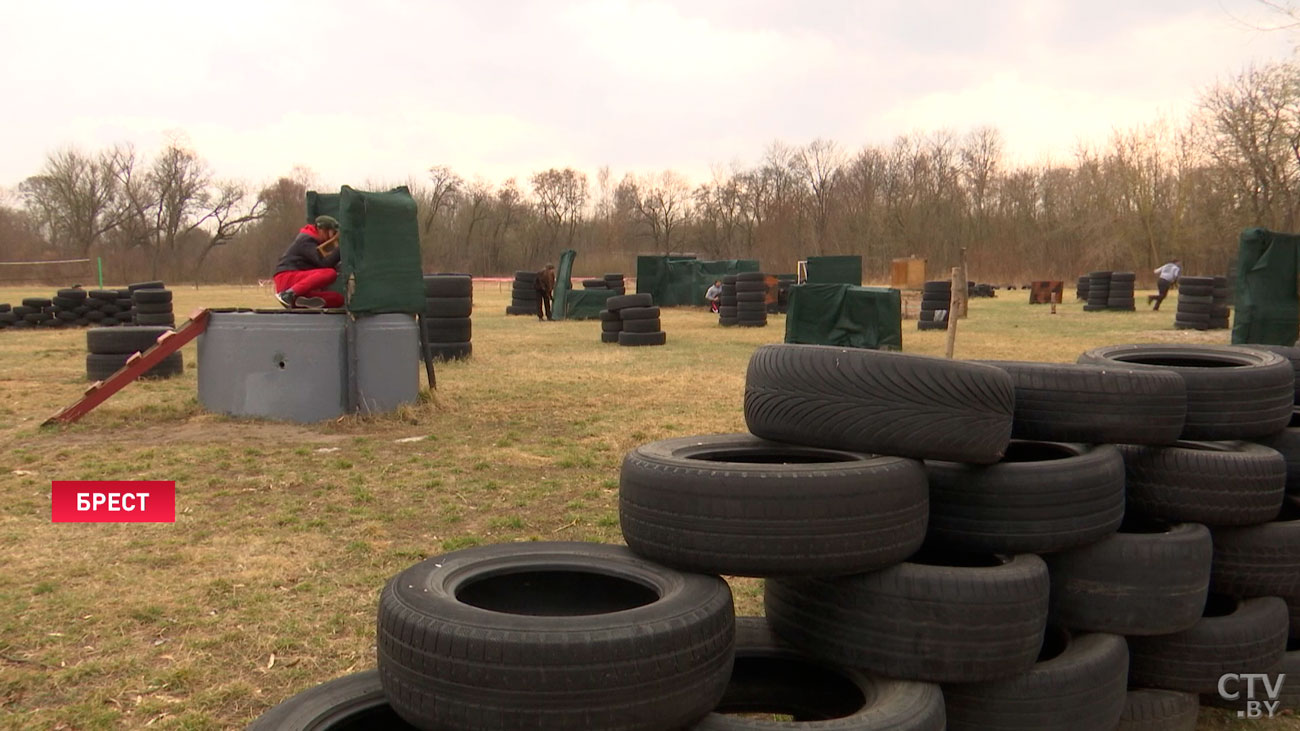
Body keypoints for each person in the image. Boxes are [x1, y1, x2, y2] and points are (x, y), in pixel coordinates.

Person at [273, 215, 345, 309]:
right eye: (333, 233)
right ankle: (288, 295)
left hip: (298, 282)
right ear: (323, 230)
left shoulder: (313, 243)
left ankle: (298, 301)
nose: (333, 237)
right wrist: (341, 247)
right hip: (286, 277)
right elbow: (324, 263)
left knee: (338, 299)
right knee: (330, 273)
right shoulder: (306, 240)